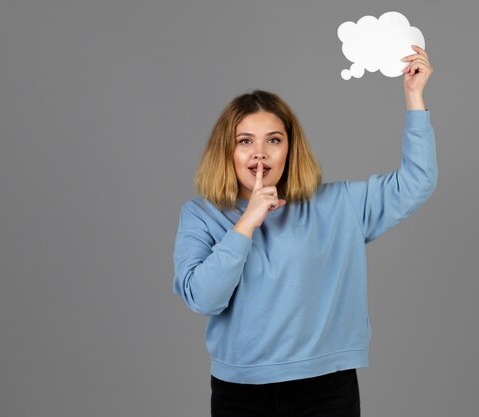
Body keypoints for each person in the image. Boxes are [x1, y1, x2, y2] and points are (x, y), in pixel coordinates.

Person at [173, 45, 436, 417]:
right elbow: (204, 298)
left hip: (326, 388)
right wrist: (247, 222)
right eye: (245, 141)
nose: (260, 153)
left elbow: (416, 184)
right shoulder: (201, 215)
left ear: (290, 149)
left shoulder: (336, 204)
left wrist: (414, 97)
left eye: (274, 140)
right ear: (227, 150)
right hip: (241, 392)